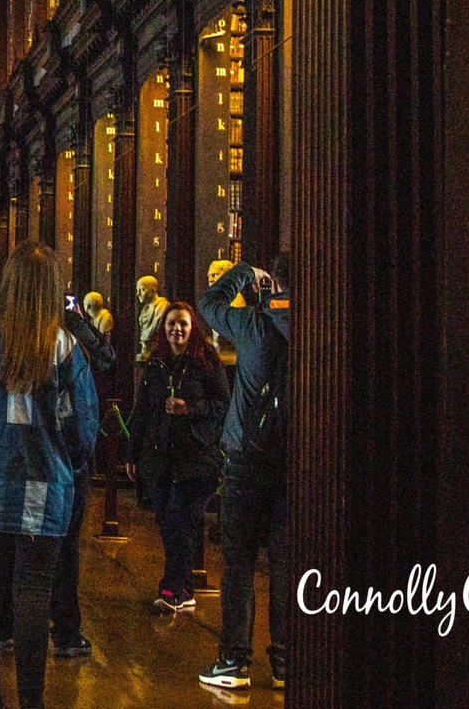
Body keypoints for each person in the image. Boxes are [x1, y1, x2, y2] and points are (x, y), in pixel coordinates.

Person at [0, 241, 99, 709]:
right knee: (33, 592)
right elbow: (83, 430)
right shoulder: (65, 348)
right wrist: (66, 458)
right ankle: (32, 701)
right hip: (45, 489)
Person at [197, 255, 291, 691]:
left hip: (245, 458)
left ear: (272, 285)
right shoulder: (318, 330)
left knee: (238, 563)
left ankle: (234, 661)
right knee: (286, 563)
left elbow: (208, 302)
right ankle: (286, 662)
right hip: (294, 460)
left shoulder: (254, 325)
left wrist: (242, 274)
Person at [126, 302, 229, 613]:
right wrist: (132, 451)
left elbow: (223, 404)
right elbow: (142, 410)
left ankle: (171, 588)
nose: (177, 329)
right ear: (164, 328)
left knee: (181, 521)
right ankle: (184, 588)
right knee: (168, 522)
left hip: (197, 458)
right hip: (161, 459)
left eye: (183, 324)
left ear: (192, 327)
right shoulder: (156, 364)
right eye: (171, 324)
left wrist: (190, 408)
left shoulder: (206, 361)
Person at [45, 303, 116, 658]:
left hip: (12, 458)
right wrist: (79, 455)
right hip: (64, 459)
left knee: (17, 549)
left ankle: (7, 628)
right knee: (64, 547)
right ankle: (66, 631)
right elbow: (80, 411)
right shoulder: (66, 338)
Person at [134, 276, 170, 362]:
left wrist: (147, 337)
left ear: (153, 290)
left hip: (156, 350)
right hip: (146, 349)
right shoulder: (145, 308)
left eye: (142, 290)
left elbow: (155, 327)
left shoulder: (162, 306)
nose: (137, 294)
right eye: (137, 290)